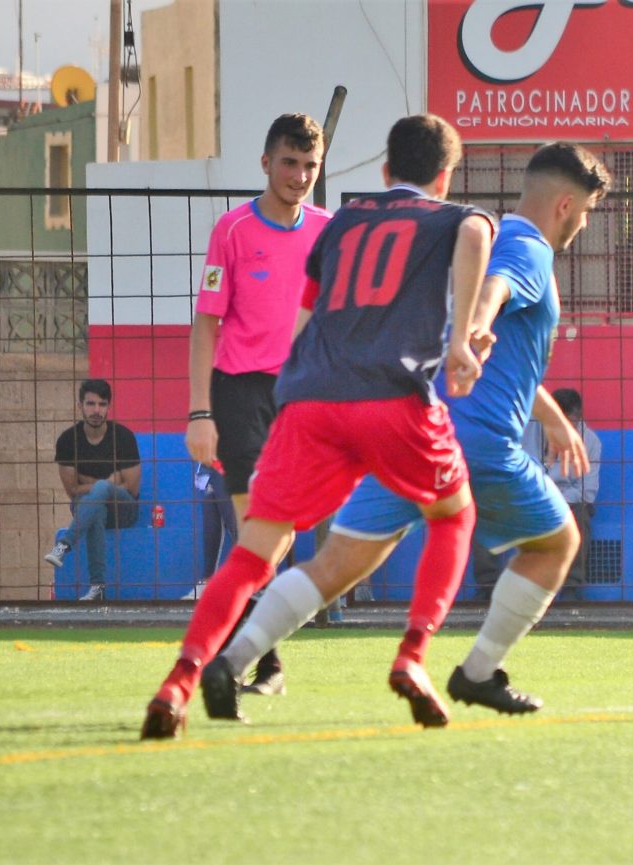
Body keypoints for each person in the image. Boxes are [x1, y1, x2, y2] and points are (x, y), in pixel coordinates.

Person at [201, 142, 611, 723]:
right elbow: (495, 296)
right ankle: (477, 673)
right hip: (478, 445)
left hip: (412, 428)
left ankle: (231, 661)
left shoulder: (480, 241)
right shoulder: (529, 247)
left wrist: (550, 416)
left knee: (336, 563)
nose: (585, 224)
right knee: (557, 543)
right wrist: (476, 328)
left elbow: (492, 342)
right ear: (566, 205)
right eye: (588, 211)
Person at [141, 113, 494, 739]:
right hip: (388, 396)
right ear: (444, 177)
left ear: (385, 171)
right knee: (453, 515)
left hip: (306, 399)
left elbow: (307, 318)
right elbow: (474, 234)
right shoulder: (451, 216)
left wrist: (295, 391)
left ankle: (179, 682)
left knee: (256, 548)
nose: (301, 175)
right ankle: (412, 656)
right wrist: (464, 338)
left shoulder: (342, 223)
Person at [184, 112, 331, 693]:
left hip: (301, 398)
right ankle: (257, 661)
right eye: (289, 163)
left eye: (310, 165)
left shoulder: (328, 230)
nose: (299, 175)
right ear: (266, 163)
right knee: (257, 532)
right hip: (241, 394)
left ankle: (239, 651)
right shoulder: (233, 230)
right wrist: (200, 412)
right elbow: (206, 324)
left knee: (280, 538)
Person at [45, 379, 142, 601]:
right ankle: (98, 588)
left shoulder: (123, 437)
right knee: (96, 505)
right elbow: (72, 490)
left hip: (123, 509)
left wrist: (95, 484)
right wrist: (110, 481)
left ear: (109, 407)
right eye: (90, 404)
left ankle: (64, 545)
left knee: (101, 489)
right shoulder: (68, 440)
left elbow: (132, 487)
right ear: (80, 406)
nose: (97, 410)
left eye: (102, 404)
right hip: (87, 508)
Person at [522, 387, 601, 601]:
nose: (563, 428)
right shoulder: (528, 430)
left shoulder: (591, 442)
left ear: (578, 419)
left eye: (569, 422)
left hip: (568, 499)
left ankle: (571, 586)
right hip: (531, 494)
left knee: (581, 514)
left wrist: (557, 499)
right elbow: (519, 469)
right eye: (558, 421)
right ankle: (490, 584)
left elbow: (587, 491)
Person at [181, 462, 237, 601]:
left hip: (235, 463)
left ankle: (250, 584)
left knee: (235, 524)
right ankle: (207, 582)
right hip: (212, 464)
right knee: (211, 522)